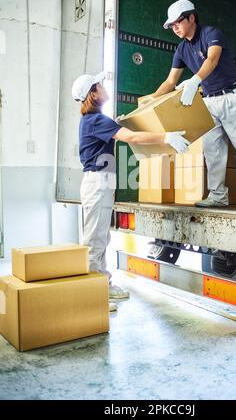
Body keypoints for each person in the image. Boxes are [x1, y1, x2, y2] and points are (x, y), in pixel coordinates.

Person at [71, 71, 189, 312]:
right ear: (92, 94)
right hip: (97, 182)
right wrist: (167, 136)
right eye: (99, 85)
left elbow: (118, 131)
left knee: (102, 237)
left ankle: (102, 283)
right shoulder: (95, 120)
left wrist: (118, 122)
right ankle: (93, 295)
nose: (104, 87)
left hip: (102, 183)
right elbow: (133, 138)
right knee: (94, 240)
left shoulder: (96, 120)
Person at [147, 0, 236, 208]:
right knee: (213, 153)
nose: (175, 28)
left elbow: (212, 59)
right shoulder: (181, 49)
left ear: (191, 17)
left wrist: (194, 81)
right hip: (208, 103)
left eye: (178, 22)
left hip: (231, 98)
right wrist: (147, 103)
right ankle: (218, 196)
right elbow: (170, 81)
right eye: (172, 25)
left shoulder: (211, 34)